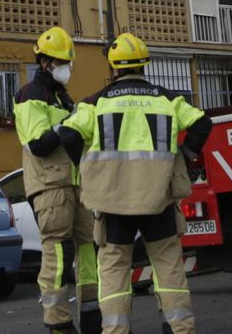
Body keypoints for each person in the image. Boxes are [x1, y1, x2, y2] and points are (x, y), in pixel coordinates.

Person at [57, 33, 211, 334]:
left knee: (114, 267)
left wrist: (87, 169)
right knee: (167, 264)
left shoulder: (96, 103)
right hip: (159, 198)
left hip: (113, 201)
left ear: (113, 68)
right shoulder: (167, 98)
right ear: (144, 65)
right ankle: (180, 329)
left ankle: (116, 331)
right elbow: (202, 123)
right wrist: (186, 155)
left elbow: (67, 134)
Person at [14, 27, 100, 334]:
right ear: (44, 63)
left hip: (75, 186)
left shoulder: (63, 98)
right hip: (50, 188)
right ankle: (58, 323)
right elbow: (37, 143)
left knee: (90, 248)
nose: (67, 69)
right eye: (61, 62)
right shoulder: (30, 95)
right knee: (58, 253)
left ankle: (93, 316)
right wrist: (70, 122)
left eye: (68, 63)